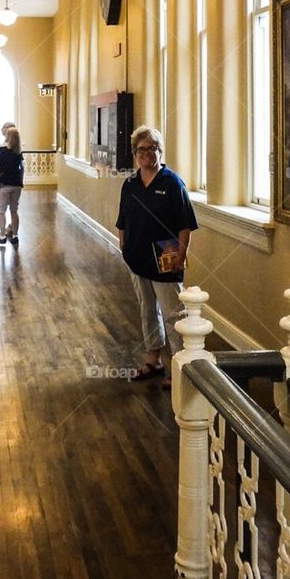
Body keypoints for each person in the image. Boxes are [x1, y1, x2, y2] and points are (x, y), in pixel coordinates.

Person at [116, 125, 198, 389]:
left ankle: (180, 365)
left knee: (174, 313)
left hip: (166, 254)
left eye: (152, 148)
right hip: (137, 257)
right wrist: (124, 248)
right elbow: (123, 222)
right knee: (147, 310)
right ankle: (154, 359)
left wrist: (181, 254)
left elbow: (185, 224)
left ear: (160, 151)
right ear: (135, 154)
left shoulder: (173, 183)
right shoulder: (130, 184)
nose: (146, 154)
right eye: (141, 149)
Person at [0, 124, 24, 247]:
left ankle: (2, 236)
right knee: (14, 211)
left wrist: (0, 164)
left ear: (7, 137)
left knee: (1, 211)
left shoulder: (1, 151)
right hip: (17, 185)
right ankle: (15, 236)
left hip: (4, 184)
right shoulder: (18, 153)